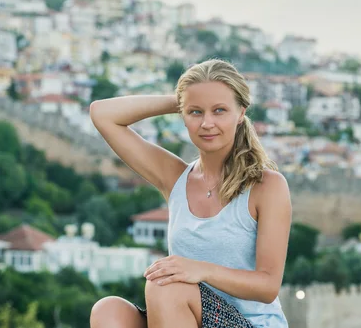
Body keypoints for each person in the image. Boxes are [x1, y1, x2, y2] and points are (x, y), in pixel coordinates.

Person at [88, 59, 292, 328]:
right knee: (109, 311)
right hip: (182, 315)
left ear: (241, 112)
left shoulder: (267, 186)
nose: (207, 123)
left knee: (167, 286)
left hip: (251, 323)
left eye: (219, 110)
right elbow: (102, 114)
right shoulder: (175, 178)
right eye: (196, 113)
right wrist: (184, 99)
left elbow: (268, 286)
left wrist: (201, 270)